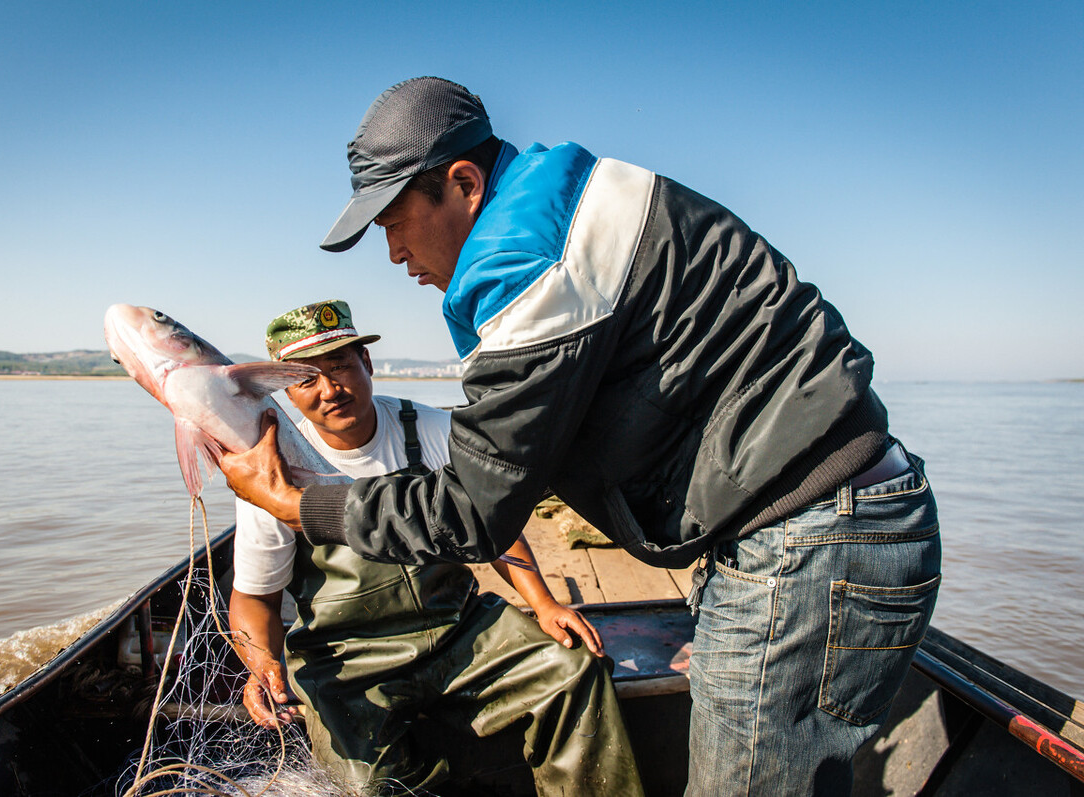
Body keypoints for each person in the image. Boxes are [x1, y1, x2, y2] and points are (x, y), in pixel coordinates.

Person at [221, 78, 942, 795]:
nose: (393, 253)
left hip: (806, 540)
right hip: (815, 520)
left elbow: (476, 511)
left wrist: (297, 502)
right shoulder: (577, 198)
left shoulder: (527, 262)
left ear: (464, 183)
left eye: (393, 223)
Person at [226, 299, 643, 796]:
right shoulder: (275, 474)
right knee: (363, 785)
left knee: (574, 672)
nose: (330, 390)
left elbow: (495, 527)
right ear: (286, 394)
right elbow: (255, 598)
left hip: (458, 629)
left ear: (368, 364)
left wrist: (543, 603)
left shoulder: (432, 430)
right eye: (306, 380)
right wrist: (262, 666)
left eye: (341, 368)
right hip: (348, 660)